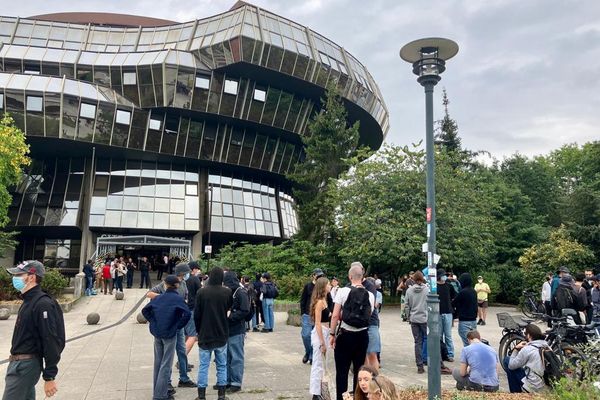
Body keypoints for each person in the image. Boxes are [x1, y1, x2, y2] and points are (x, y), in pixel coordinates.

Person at [3, 260, 65, 400]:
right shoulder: (28, 301)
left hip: (25, 366)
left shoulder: (42, 303)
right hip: (19, 364)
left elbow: (51, 339)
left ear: (31, 277)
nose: (15, 278)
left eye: (19, 274)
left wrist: (49, 376)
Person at [329, 262, 374, 400]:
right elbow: (369, 315)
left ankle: (342, 397)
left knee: (342, 372)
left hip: (345, 335)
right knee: (359, 372)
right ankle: (358, 397)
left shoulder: (342, 291)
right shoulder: (370, 295)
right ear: (363, 277)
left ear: (350, 277)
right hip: (362, 336)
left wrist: (332, 334)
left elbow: (335, 315)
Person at [142, 275, 191, 400]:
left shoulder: (159, 298)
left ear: (165, 285)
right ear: (177, 285)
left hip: (157, 333)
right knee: (166, 364)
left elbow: (145, 310)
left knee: (158, 363)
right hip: (170, 333)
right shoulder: (177, 299)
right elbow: (187, 314)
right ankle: (160, 395)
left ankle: (157, 391)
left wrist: (154, 322)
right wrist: (178, 325)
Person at [147, 264, 196, 388]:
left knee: (182, 351)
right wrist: (165, 298)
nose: (187, 275)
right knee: (167, 356)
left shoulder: (183, 284)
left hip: (178, 323)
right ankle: (166, 382)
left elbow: (185, 299)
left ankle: (184, 378)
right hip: (169, 323)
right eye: (186, 273)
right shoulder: (166, 284)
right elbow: (149, 294)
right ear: (180, 273)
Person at [194, 267, 233, 400]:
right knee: (222, 365)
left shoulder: (201, 292)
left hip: (205, 334)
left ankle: (201, 395)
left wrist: (198, 331)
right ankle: (221, 395)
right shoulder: (227, 292)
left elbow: (197, 315)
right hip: (221, 333)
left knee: (203, 366)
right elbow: (228, 309)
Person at [405, 271, 451, 375]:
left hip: (414, 319)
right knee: (432, 340)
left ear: (413, 279)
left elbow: (406, 305)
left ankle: (420, 366)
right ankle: (438, 363)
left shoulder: (409, 290)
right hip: (425, 318)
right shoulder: (427, 290)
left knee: (417, 342)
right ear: (422, 278)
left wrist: (408, 317)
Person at [223, 271, 250, 393]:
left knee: (236, 357)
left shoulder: (241, 292)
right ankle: (228, 381)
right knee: (227, 357)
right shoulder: (230, 292)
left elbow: (245, 310)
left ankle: (236, 382)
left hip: (237, 329)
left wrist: (231, 316)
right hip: (227, 329)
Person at [504, 324, 548, 393]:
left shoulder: (528, 349)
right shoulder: (547, 346)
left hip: (533, 386)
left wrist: (516, 349)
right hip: (545, 385)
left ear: (528, 335)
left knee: (507, 360)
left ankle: (516, 393)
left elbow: (511, 366)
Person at [309, 276, 332, 399]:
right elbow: (317, 323)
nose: (330, 286)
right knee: (317, 364)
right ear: (323, 286)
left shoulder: (325, 299)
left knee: (322, 364)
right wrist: (322, 342)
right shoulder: (319, 302)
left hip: (326, 331)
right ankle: (315, 392)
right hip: (320, 333)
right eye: (328, 284)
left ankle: (319, 390)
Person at [300, 268, 325, 364]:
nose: (319, 277)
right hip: (307, 314)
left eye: (321, 276)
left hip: (318, 315)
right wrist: (302, 313)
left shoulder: (322, 287)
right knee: (306, 335)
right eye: (318, 275)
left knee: (315, 337)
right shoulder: (308, 286)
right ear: (313, 275)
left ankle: (312, 356)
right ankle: (308, 352)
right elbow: (303, 300)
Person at [452, 273, 478, 347]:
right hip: (473, 320)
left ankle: (469, 357)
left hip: (464, 320)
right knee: (473, 340)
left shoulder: (463, 292)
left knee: (467, 342)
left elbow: (454, 303)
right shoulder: (474, 291)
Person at [437, 268, 456, 362]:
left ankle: (450, 354)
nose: (444, 277)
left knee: (448, 335)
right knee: (439, 335)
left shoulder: (449, 286)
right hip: (438, 313)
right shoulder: (435, 287)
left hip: (448, 312)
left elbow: (454, 296)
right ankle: (441, 353)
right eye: (442, 275)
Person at [363, 277, 382, 371]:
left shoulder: (375, 293)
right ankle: (367, 376)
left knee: (372, 354)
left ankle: (375, 379)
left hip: (372, 323)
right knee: (366, 354)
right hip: (364, 324)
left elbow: (375, 305)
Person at [184, 261, 202, 356]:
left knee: (186, 335)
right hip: (191, 309)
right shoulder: (195, 279)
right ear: (193, 269)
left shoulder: (183, 279)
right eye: (197, 269)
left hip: (182, 309)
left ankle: (183, 360)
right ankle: (181, 360)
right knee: (192, 336)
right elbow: (200, 294)